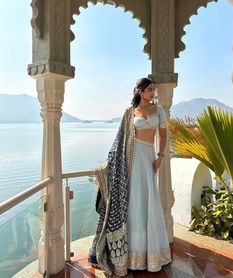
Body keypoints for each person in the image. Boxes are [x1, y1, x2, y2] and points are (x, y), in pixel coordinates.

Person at [88, 77, 172, 277]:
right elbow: (121, 140)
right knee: (133, 202)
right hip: (131, 161)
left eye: (154, 89)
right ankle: (131, 254)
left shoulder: (158, 110)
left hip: (148, 158)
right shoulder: (129, 113)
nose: (153, 93)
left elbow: (163, 135)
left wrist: (160, 156)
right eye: (150, 89)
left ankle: (152, 254)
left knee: (149, 199)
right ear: (140, 91)